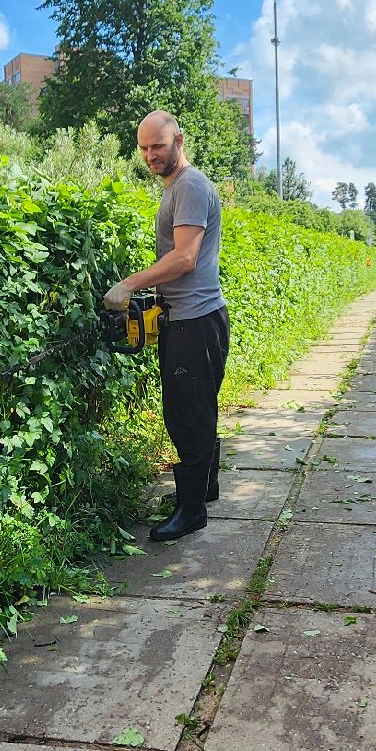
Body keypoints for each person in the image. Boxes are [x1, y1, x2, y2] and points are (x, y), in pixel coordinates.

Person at [103, 110, 228, 541]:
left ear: (179, 139)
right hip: (195, 316)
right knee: (199, 410)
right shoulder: (178, 186)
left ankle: (190, 512)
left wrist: (129, 283)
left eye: (158, 145)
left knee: (186, 417)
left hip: (194, 323)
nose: (150, 154)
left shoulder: (189, 185)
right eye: (143, 147)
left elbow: (184, 258)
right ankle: (204, 490)